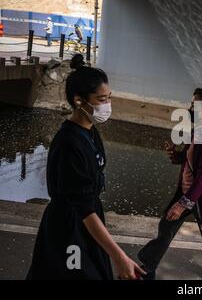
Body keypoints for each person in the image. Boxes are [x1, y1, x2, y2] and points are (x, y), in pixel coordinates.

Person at [27, 55, 145, 280]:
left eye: (109, 98)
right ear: (79, 100)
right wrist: (119, 257)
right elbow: (83, 207)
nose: (108, 105)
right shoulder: (70, 143)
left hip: (86, 222)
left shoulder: (90, 130)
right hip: (70, 227)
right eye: (101, 99)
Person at [137, 88, 202, 280]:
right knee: (167, 225)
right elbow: (192, 156)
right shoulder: (200, 128)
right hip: (188, 190)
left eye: (194, 104)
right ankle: (148, 268)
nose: (190, 107)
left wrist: (183, 204)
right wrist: (177, 156)